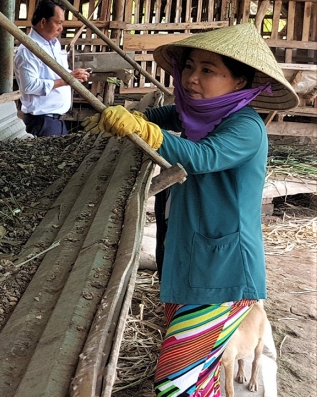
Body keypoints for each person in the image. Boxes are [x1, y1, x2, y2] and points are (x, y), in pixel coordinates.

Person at [86, 24, 298, 397]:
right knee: (199, 377)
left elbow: (204, 156)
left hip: (223, 273)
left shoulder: (245, 126)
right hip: (191, 261)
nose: (191, 78)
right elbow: (167, 117)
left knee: (174, 382)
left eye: (208, 70)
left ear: (240, 82)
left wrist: (147, 133)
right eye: (188, 67)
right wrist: (128, 119)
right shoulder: (201, 115)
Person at [14, 0, 91, 136]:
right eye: (58, 23)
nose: (61, 28)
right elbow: (29, 86)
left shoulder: (53, 43)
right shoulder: (28, 50)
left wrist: (73, 74)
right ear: (43, 22)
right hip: (42, 122)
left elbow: (55, 73)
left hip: (57, 120)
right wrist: (66, 80)